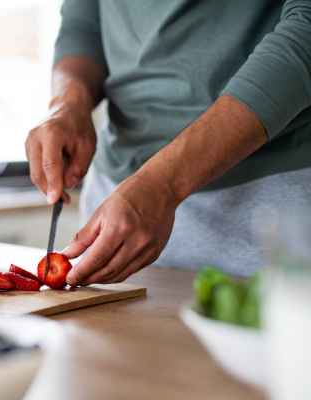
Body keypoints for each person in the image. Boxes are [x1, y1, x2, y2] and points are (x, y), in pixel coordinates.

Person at [25, 0, 311, 285]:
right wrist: (68, 103)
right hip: (115, 205)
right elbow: (83, 26)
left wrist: (163, 184)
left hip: (267, 206)